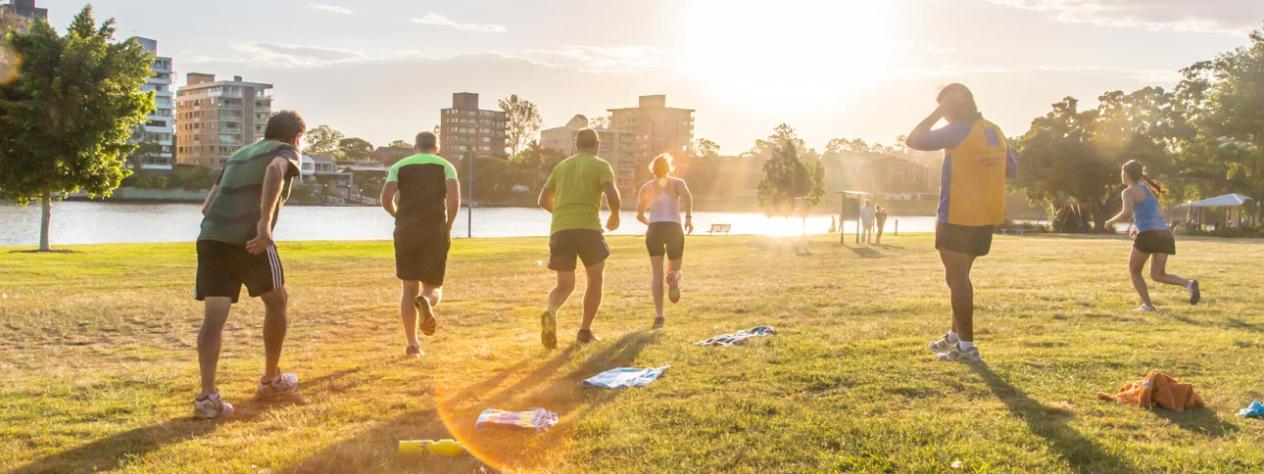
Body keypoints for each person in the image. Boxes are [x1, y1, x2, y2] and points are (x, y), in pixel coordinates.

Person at [193, 111, 306, 418]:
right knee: (277, 301)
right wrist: (264, 225)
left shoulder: (239, 155)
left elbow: (207, 207)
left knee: (213, 319)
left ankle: (207, 398)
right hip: (249, 241)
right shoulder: (286, 151)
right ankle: (271, 380)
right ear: (297, 137)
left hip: (212, 238)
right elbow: (274, 171)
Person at [907, 83, 1017, 362]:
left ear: (951, 108)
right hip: (983, 218)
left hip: (957, 216)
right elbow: (1011, 170)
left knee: (957, 281)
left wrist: (936, 112)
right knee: (960, 279)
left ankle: (967, 348)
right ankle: (955, 336)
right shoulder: (994, 131)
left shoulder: (958, 130)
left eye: (945, 108)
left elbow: (914, 139)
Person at [537, 128, 621, 348]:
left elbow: (543, 199)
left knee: (564, 285)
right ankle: (584, 331)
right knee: (595, 279)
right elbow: (612, 194)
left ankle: (550, 311)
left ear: (576, 146)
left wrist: (561, 213)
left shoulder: (561, 167)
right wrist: (615, 213)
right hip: (588, 229)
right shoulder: (601, 165)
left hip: (561, 230)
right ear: (597, 145)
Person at [379, 131, 460, 357]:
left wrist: (398, 216)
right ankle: (426, 301)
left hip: (406, 231)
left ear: (416, 147)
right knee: (432, 287)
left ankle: (413, 345)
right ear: (437, 147)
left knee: (408, 288)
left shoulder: (400, 165)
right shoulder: (445, 166)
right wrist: (449, 225)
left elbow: (385, 199)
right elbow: (454, 199)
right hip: (434, 230)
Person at [1104, 160, 1200, 312]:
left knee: (1134, 271)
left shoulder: (1127, 192)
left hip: (1148, 234)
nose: (1121, 175)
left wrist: (1110, 221)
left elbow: (1127, 213)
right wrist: (1136, 226)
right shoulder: (1146, 189)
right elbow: (1148, 212)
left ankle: (1147, 305)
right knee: (1158, 274)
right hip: (1164, 233)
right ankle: (1188, 284)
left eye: (1123, 172)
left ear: (1127, 174)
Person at [636, 153, 694, 329]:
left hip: (655, 230)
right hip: (673, 228)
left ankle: (660, 316)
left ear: (653, 169)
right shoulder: (677, 183)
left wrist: (651, 224)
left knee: (656, 274)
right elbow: (688, 197)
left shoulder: (646, 187)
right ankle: (673, 278)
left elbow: (639, 214)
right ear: (669, 168)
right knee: (675, 269)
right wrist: (689, 218)